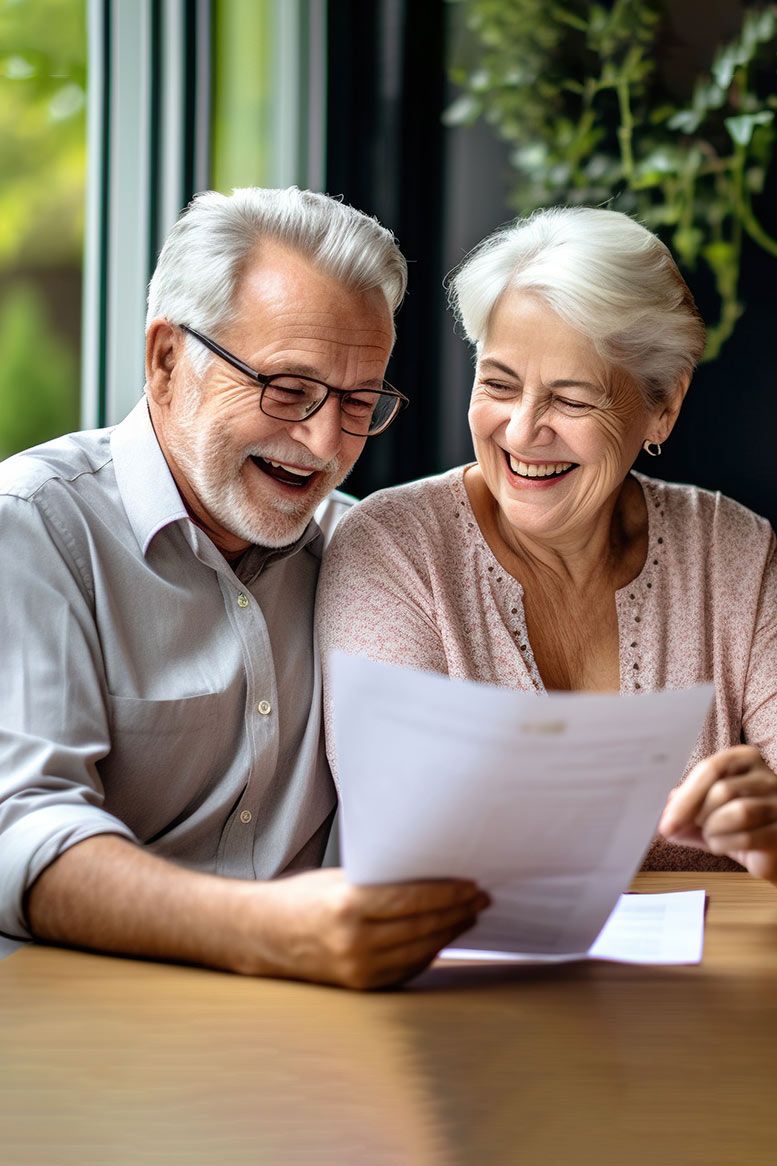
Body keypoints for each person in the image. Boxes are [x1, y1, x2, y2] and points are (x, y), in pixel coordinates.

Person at [0, 187, 489, 989]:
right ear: (166, 361)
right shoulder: (34, 528)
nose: (326, 443)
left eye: (360, 402)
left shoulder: (360, 548)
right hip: (91, 1025)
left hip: (342, 1021)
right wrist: (264, 932)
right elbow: (17, 829)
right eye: (288, 391)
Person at [318, 206, 777, 883]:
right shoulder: (393, 551)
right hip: (472, 981)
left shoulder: (731, 552)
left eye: (571, 399)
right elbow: (404, 831)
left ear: (662, 405)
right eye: (498, 385)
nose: (523, 430)